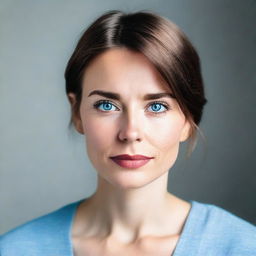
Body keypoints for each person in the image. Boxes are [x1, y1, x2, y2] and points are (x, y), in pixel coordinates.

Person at [0, 10, 255, 256]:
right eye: (107, 105)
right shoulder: (14, 249)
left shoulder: (243, 247)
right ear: (77, 113)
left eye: (157, 106)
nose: (130, 132)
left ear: (188, 120)